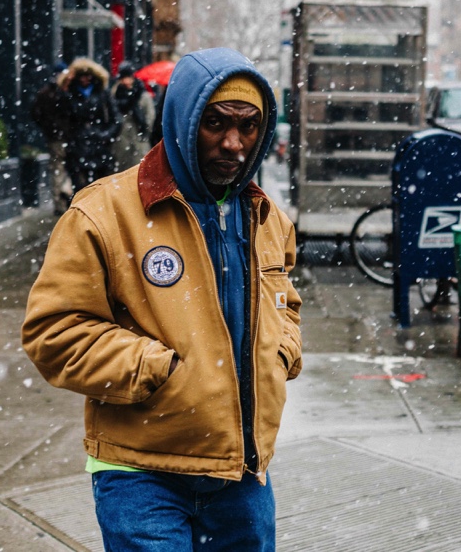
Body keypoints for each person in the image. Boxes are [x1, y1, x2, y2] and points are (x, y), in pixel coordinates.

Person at [21, 47, 302, 551]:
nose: (234, 143)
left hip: (241, 469)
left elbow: (285, 303)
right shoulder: (102, 213)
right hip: (139, 469)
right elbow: (54, 332)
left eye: (249, 126)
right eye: (215, 123)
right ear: (183, 118)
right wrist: (159, 369)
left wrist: (280, 354)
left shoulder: (267, 218)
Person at [62, 58, 120, 190]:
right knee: (80, 188)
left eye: (87, 76)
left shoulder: (102, 93)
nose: (84, 79)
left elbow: (116, 119)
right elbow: (61, 115)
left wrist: (106, 136)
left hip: (100, 146)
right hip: (78, 148)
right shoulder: (70, 93)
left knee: (101, 187)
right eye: (81, 76)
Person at [29, 61, 73, 214]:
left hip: (58, 137)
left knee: (58, 169)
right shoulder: (58, 93)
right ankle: (62, 199)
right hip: (62, 137)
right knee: (61, 168)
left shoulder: (46, 93)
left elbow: (36, 114)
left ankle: (61, 201)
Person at [110, 60, 155, 169]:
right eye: (124, 78)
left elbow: (150, 117)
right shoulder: (115, 95)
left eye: (129, 77)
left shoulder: (142, 96)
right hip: (121, 143)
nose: (127, 81)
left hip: (139, 142)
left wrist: (144, 131)